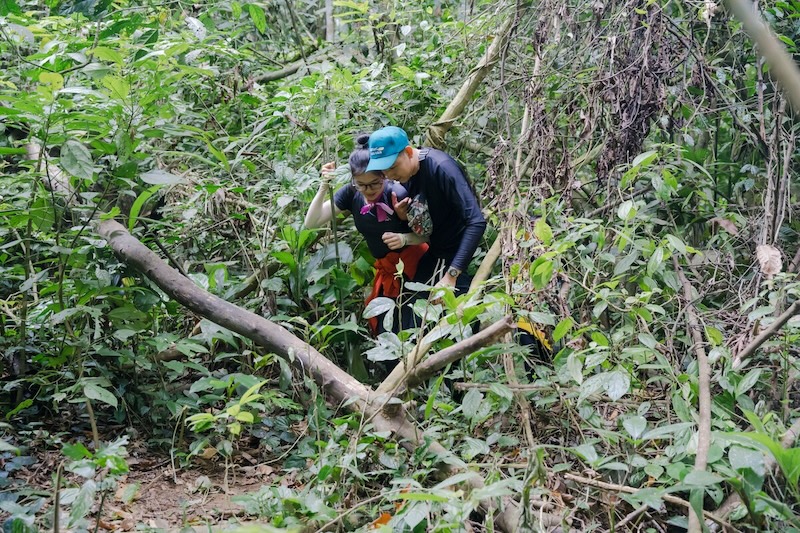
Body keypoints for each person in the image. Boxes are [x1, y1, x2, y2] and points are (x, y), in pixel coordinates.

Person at [304, 134, 428, 335]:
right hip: (386, 270)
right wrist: (324, 186)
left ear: (384, 176)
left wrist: (405, 238)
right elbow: (311, 223)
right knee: (385, 330)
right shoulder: (351, 193)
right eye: (361, 184)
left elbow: (428, 235)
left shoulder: (397, 192)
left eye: (374, 184)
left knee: (411, 327)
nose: (368, 190)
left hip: (416, 266)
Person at [364, 126, 486, 296]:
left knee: (453, 317)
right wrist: (404, 216)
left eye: (393, 167)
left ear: (408, 151)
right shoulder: (404, 176)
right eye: (383, 170)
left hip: (460, 255)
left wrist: (452, 275)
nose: (389, 175)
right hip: (435, 251)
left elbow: (476, 221)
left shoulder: (441, 168)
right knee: (410, 311)